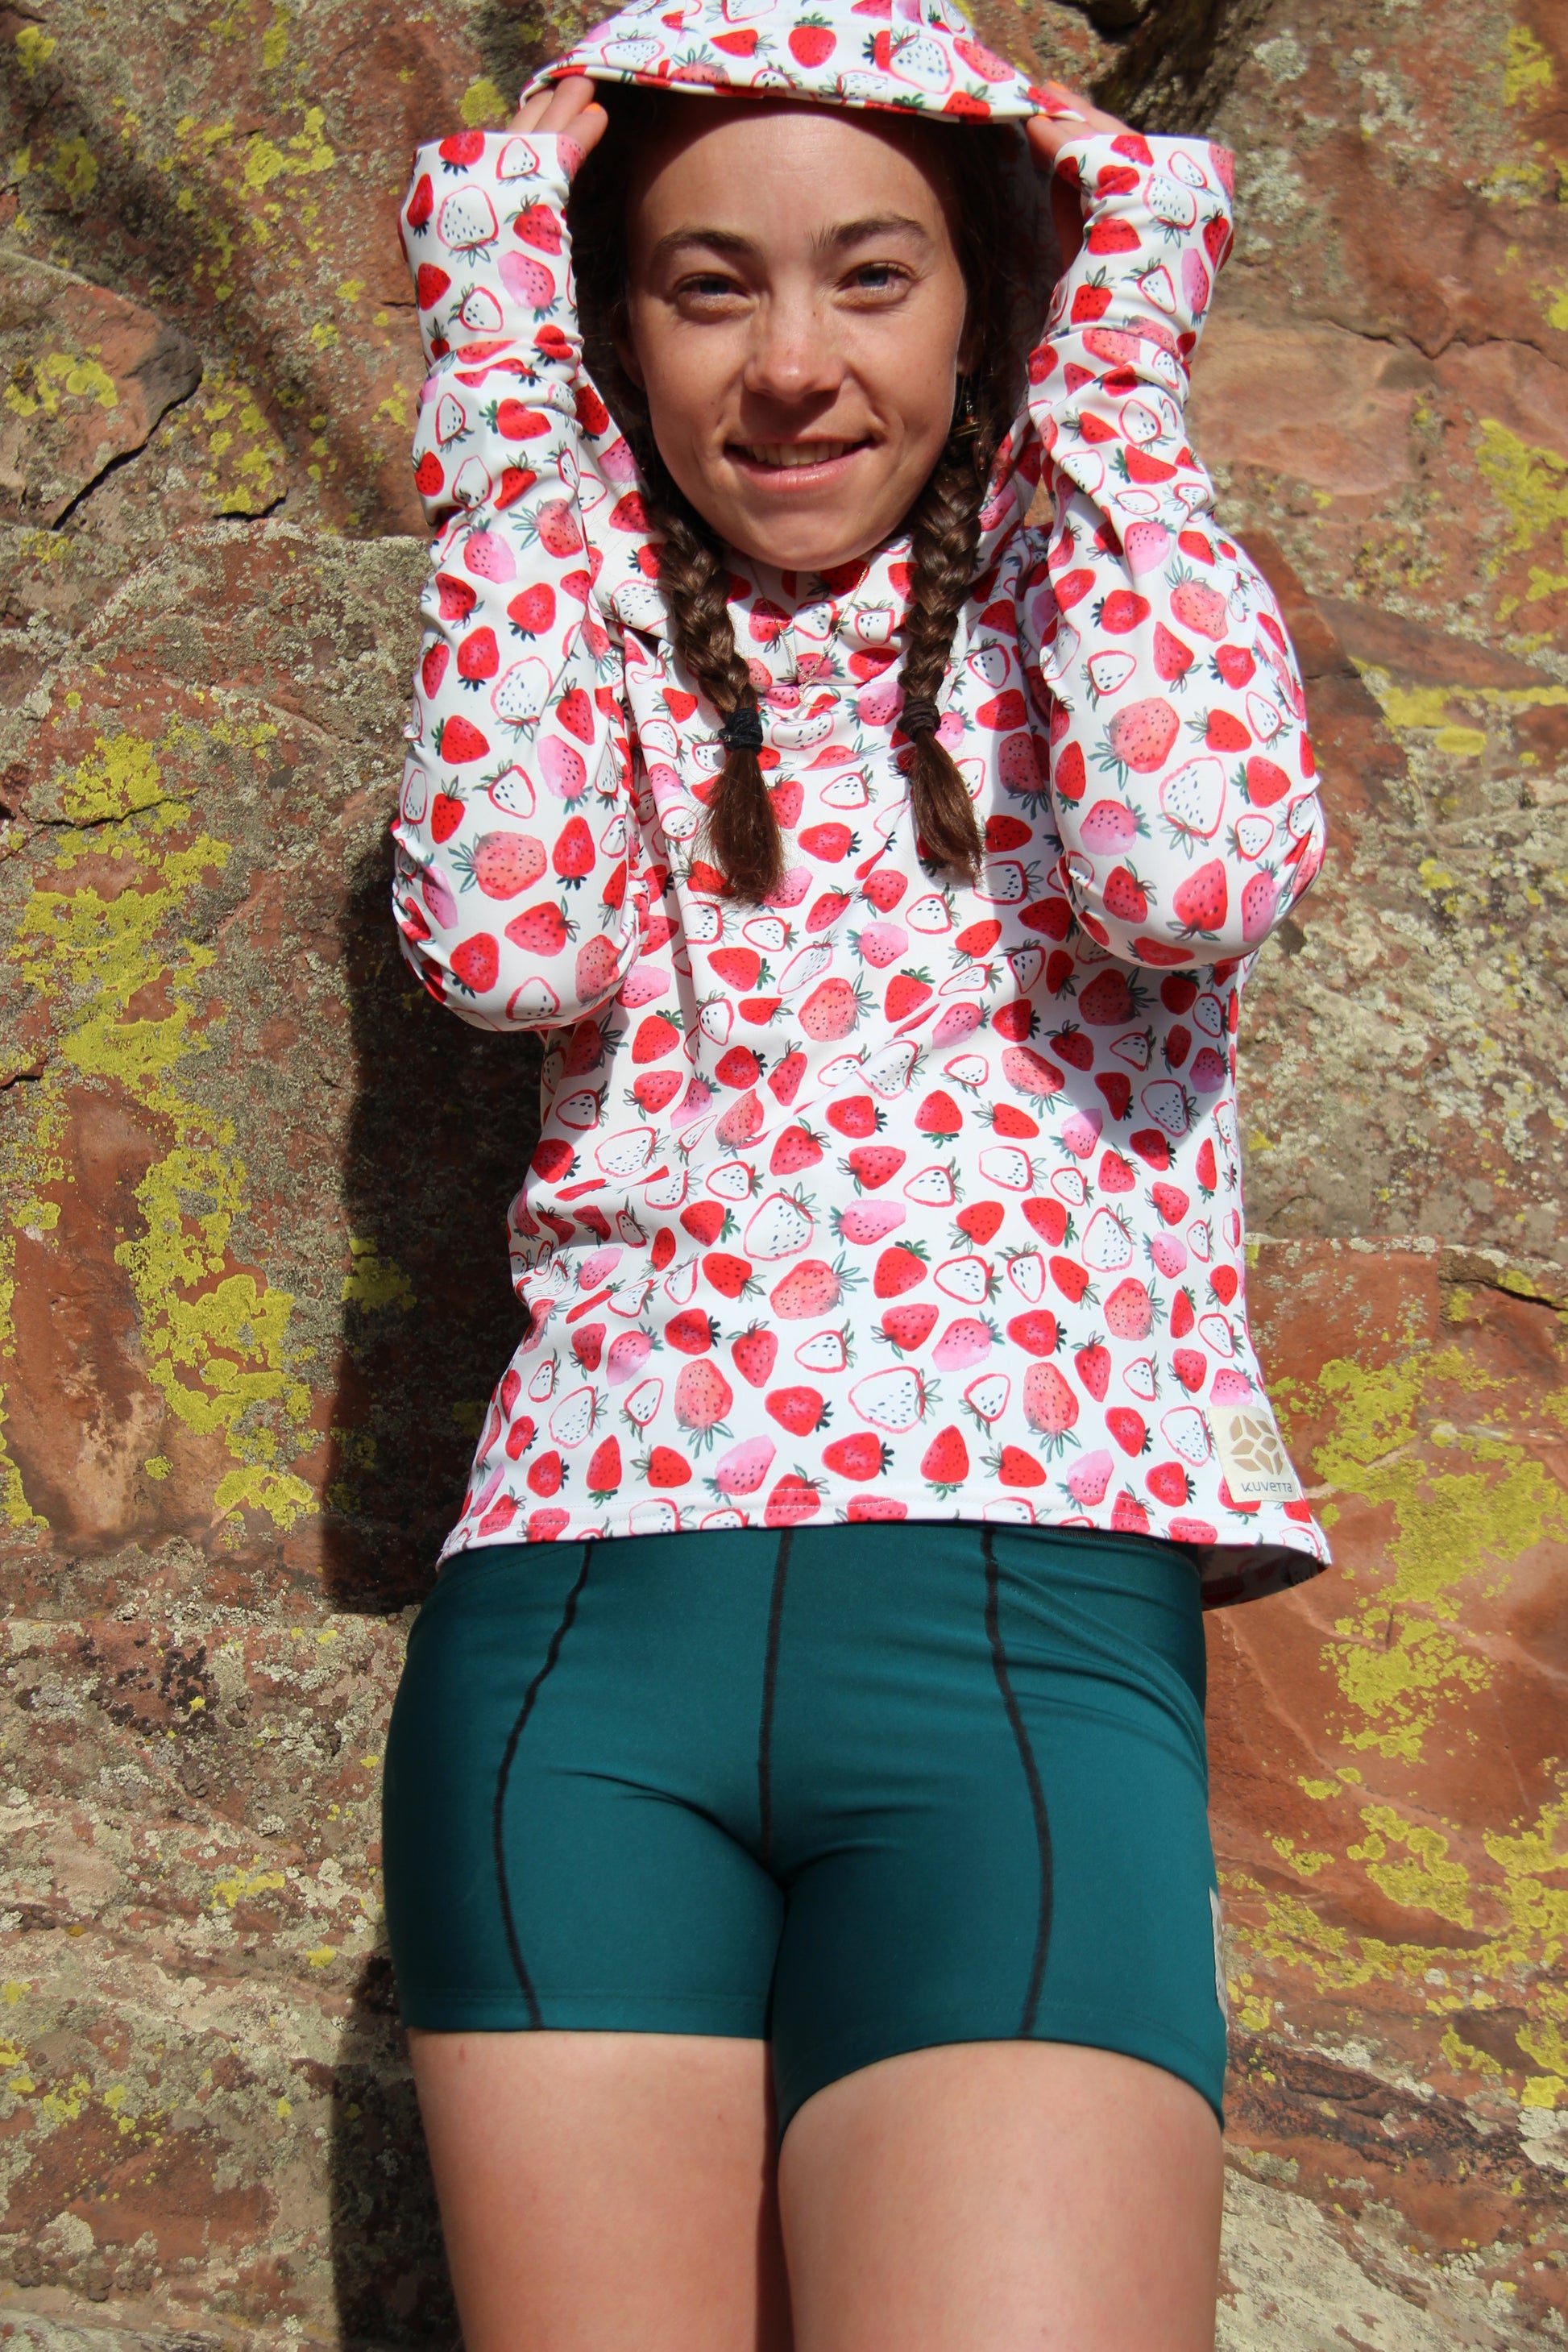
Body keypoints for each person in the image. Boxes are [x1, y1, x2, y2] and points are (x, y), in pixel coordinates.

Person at [380, 0, 1330, 2341]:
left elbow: (1193, 871)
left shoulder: (1090, 602)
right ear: (614, 325)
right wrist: (503, 390)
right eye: (705, 286)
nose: (791, 363)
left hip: (1013, 1651)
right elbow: (501, 943)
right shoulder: (584, 611)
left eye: (872, 275)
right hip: (577, 1649)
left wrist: (1115, 362)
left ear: (992, 301)